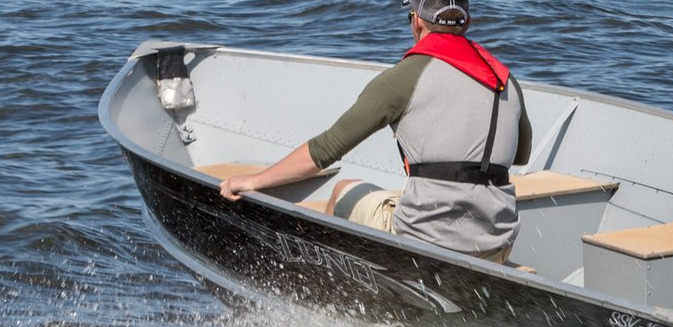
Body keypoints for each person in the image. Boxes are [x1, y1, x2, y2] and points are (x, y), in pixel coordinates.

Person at [220, 0, 533, 264]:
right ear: (467, 23)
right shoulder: (506, 80)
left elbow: (324, 150)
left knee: (344, 190)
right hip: (497, 241)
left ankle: (335, 296)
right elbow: (521, 155)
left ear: (417, 23)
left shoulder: (403, 78)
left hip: (428, 238)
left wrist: (252, 181)